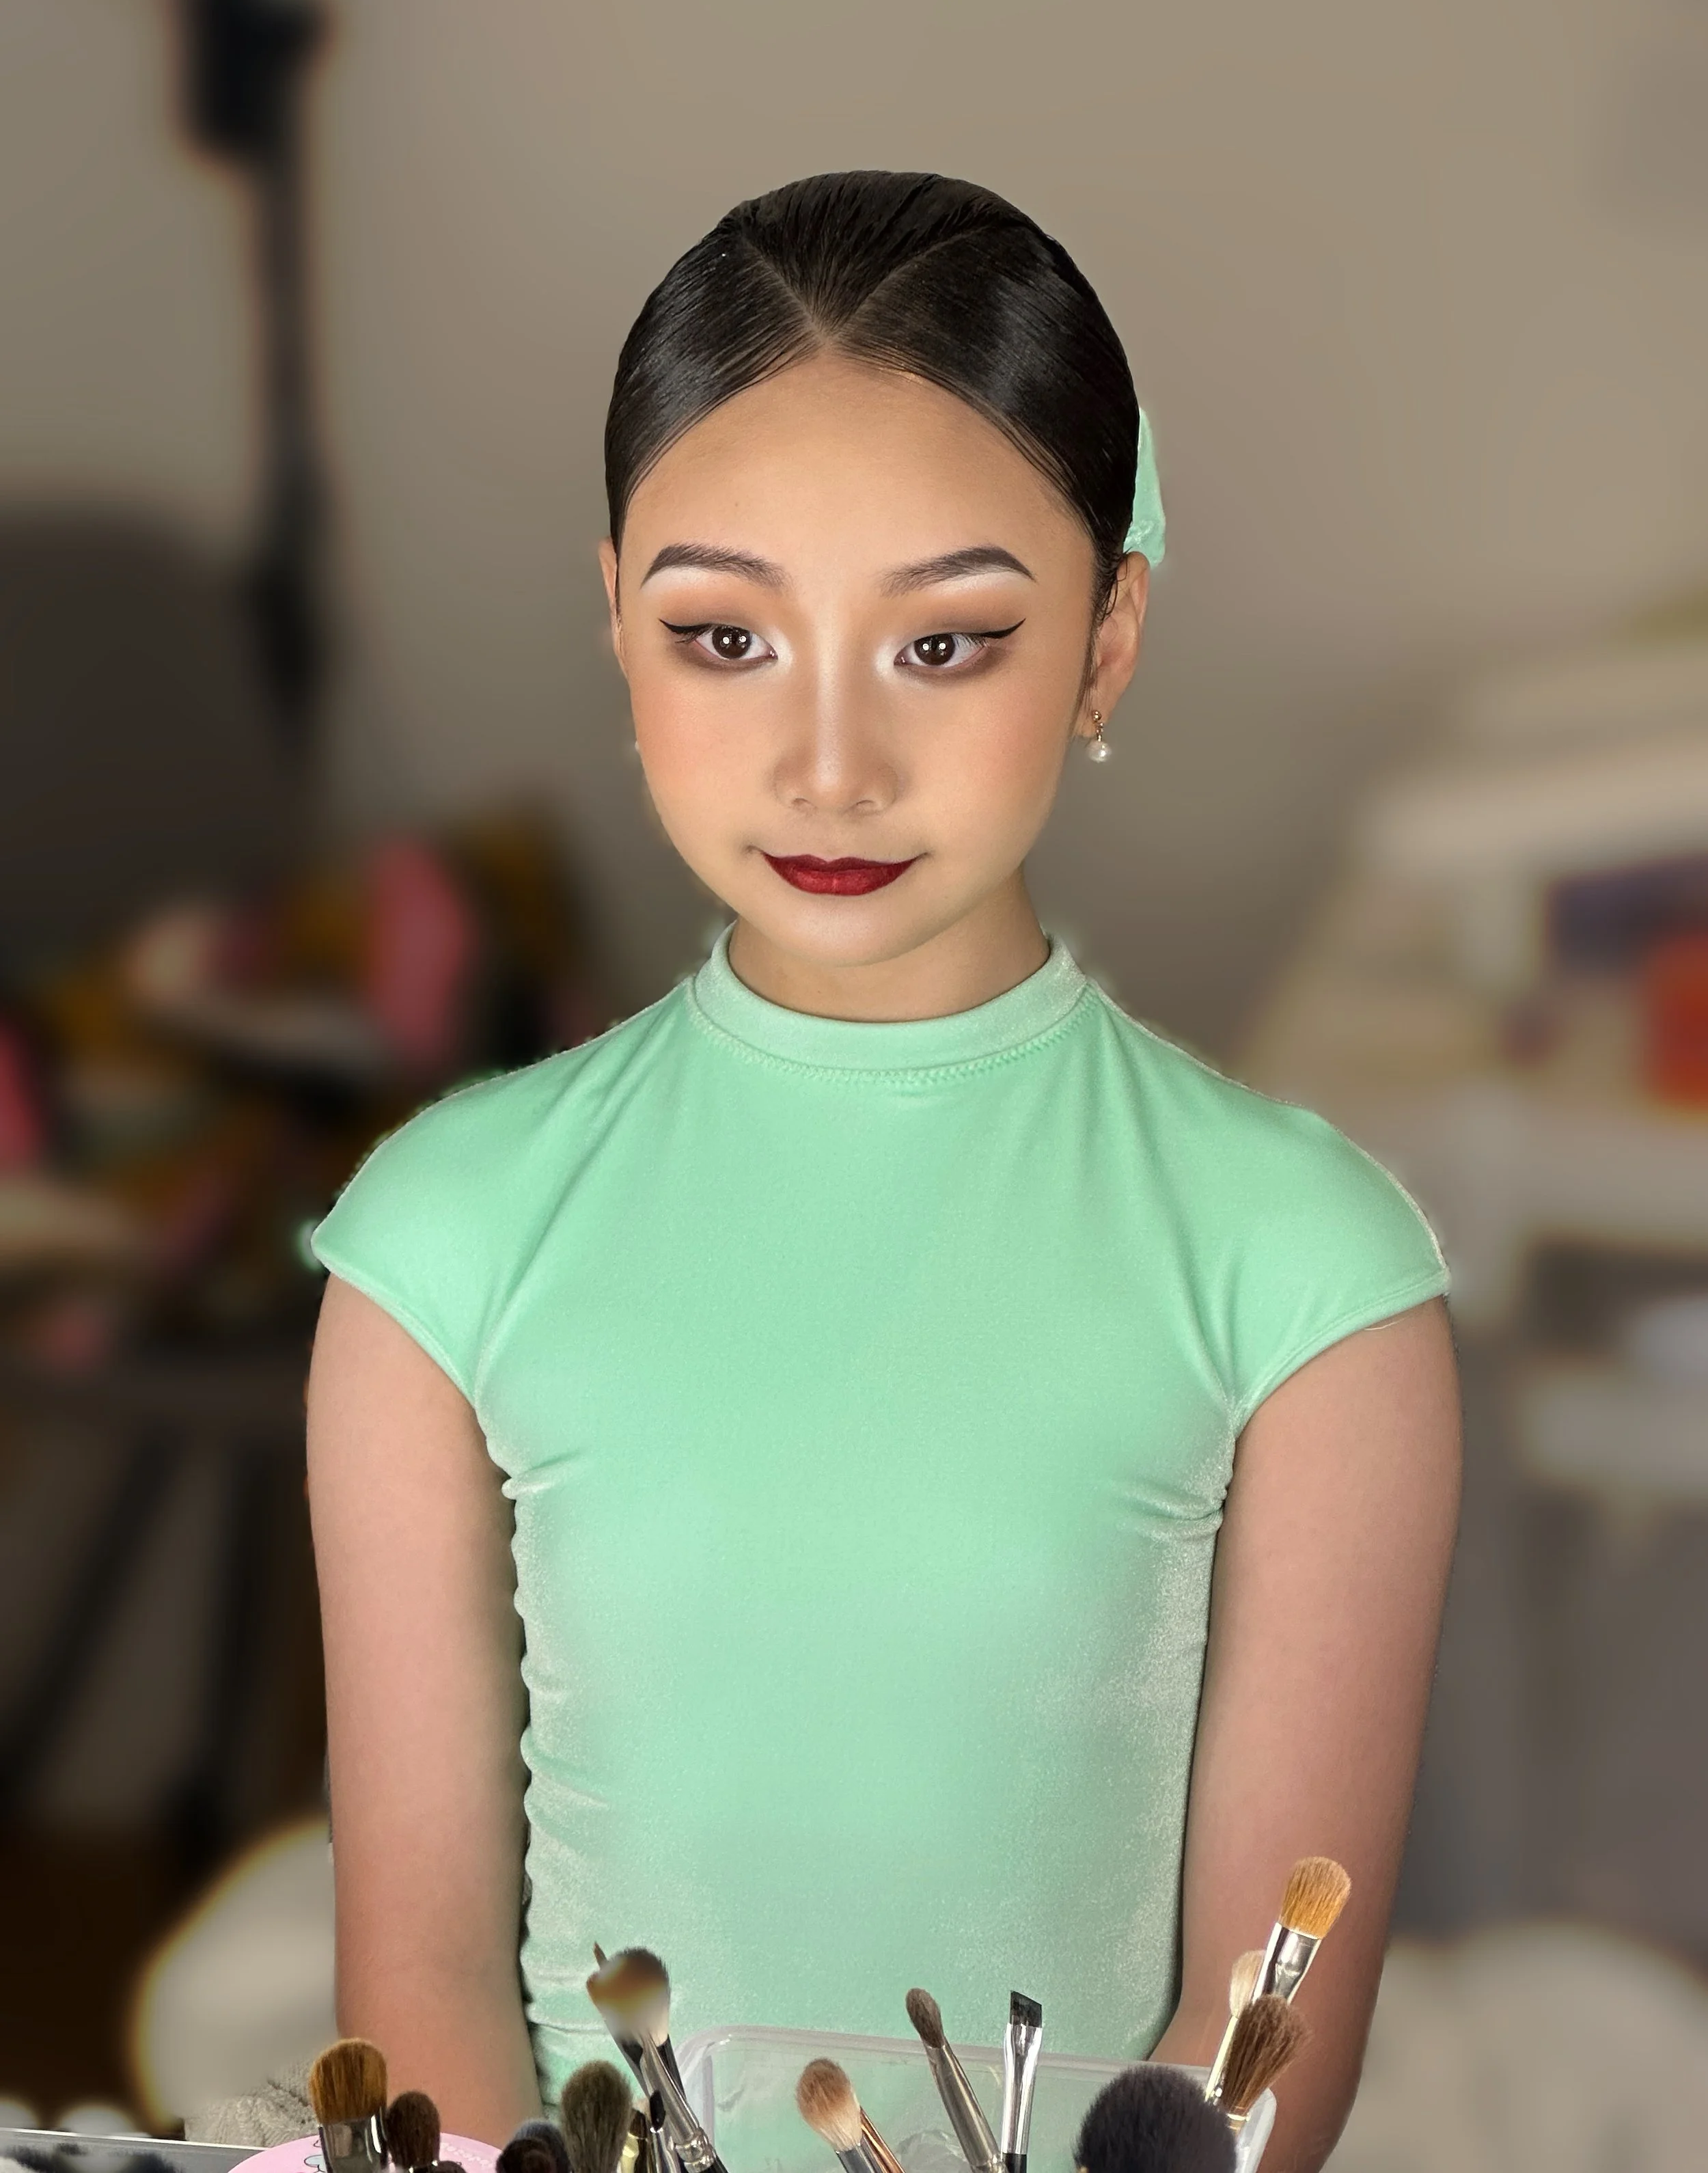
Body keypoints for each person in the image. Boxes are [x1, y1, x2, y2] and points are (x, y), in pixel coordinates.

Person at [306, 172, 1460, 2173]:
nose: (825, 764)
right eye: (725, 633)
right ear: (616, 623)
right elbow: (417, 1971)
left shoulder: (1306, 1275)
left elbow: (1264, 2015)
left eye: (944, 645)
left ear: (1103, 643)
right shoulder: (439, 1245)